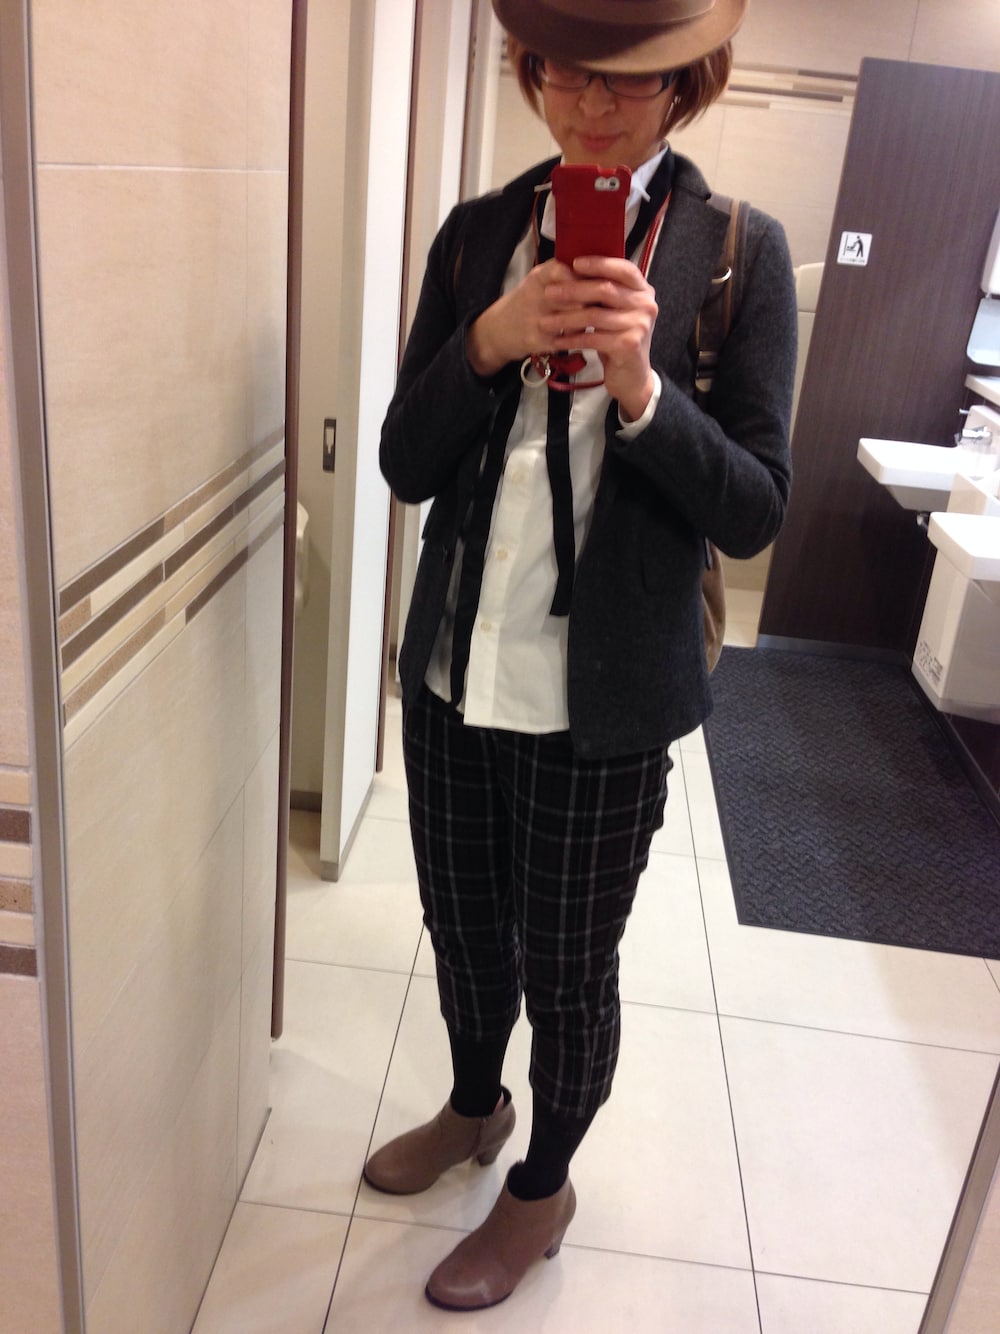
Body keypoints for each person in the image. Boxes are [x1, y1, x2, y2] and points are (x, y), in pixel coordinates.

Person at [368, 0, 795, 1311]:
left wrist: (644, 390)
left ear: (685, 83)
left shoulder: (736, 253)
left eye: (630, 80)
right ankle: (474, 1102)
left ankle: (541, 1185)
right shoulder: (476, 235)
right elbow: (403, 461)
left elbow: (755, 507)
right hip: (453, 669)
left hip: (599, 703)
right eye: (567, 72)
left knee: (567, 967)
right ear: (533, 68)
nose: (593, 106)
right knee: (460, 930)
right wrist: (490, 340)